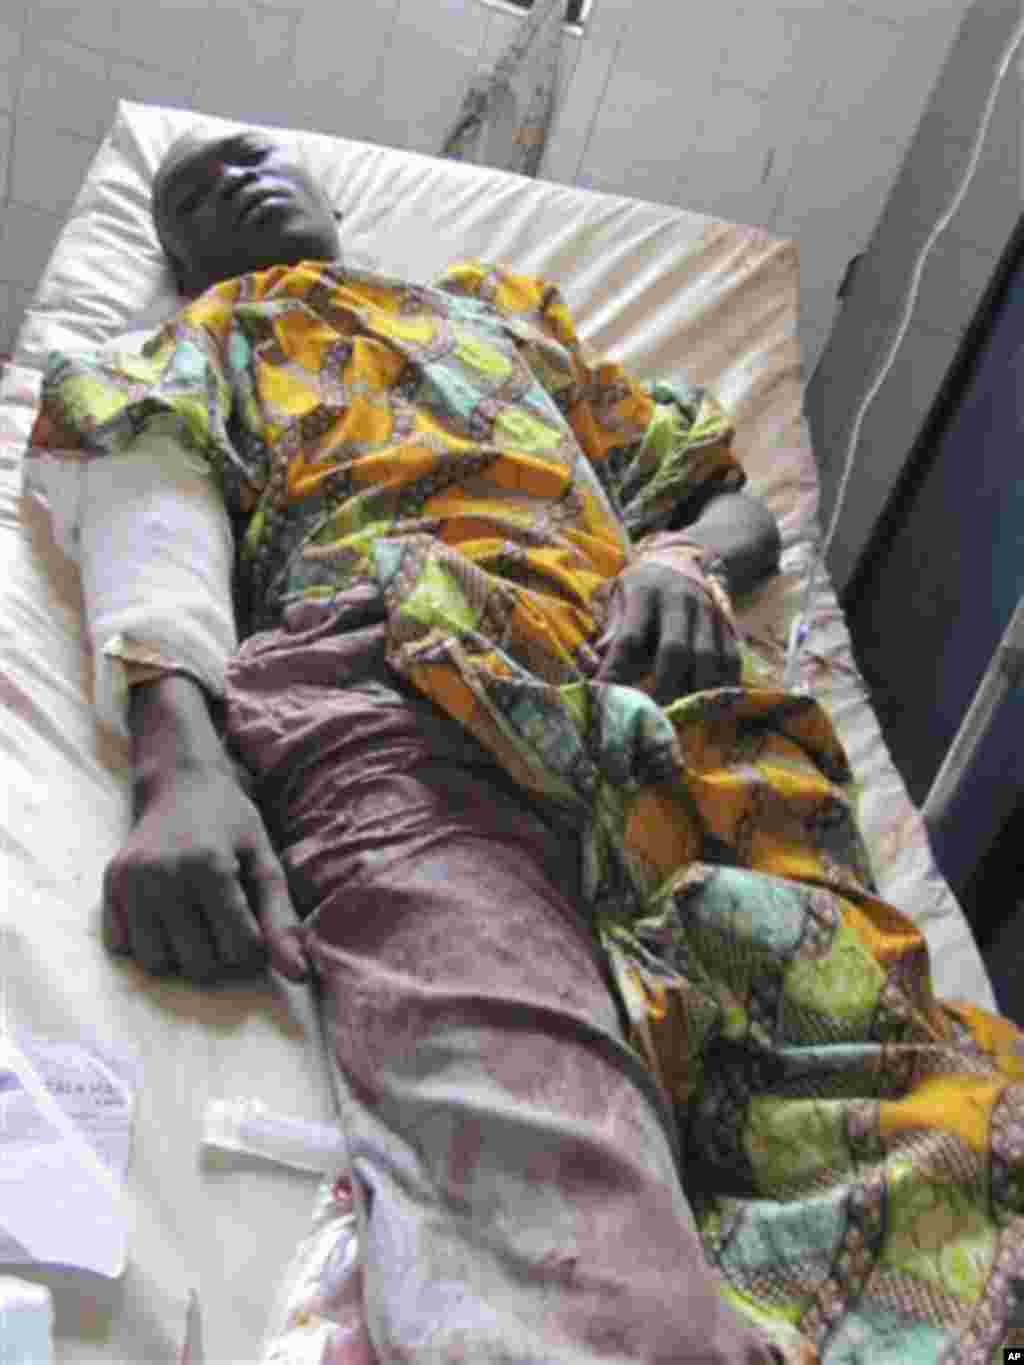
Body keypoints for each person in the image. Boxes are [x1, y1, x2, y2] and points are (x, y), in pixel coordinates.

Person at [28, 129, 1024, 1364]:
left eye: (248, 156)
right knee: (545, 1192)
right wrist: (178, 769)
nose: (229, 178)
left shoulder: (507, 321)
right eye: (191, 192)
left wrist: (682, 559)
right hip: (399, 686)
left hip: (677, 728)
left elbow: (720, 494)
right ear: (176, 260)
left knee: (942, 1147)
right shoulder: (207, 340)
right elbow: (149, 509)